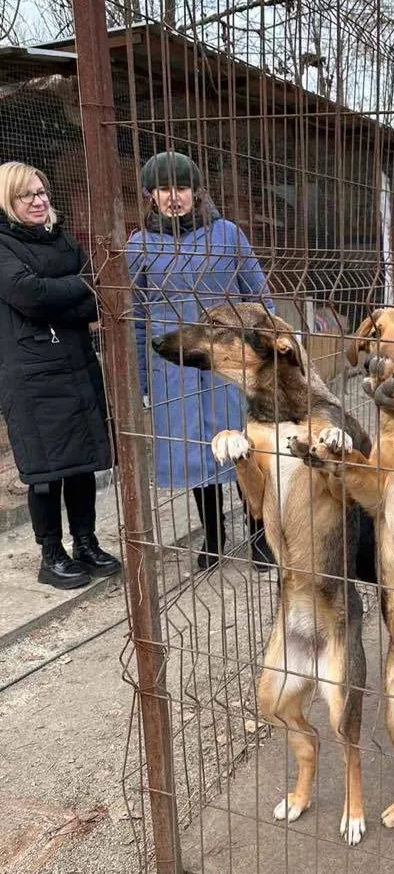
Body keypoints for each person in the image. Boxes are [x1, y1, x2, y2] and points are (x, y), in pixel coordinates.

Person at [127, 151, 274, 570]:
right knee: (197, 455)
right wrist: (143, 380)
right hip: (173, 367)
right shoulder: (138, 246)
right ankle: (213, 535)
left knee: (244, 447)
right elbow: (137, 317)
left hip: (229, 363)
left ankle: (259, 532)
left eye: (182, 187)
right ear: (150, 196)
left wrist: (264, 358)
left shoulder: (226, 234)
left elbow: (259, 296)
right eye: (163, 189)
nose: (174, 197)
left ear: (196, 191)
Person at [0, 162, 121, 589]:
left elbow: (97, 295)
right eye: (27, 195)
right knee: (46, 472)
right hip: (32, 377)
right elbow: (28, 295)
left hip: (75, 364)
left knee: (81, 464)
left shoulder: (62, 239)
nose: (39, 200)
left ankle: (85, 541)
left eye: (42, 192)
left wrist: (68, 292)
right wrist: (79, 285)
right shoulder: (2, 244)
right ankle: (51, 555)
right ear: (8, 202)